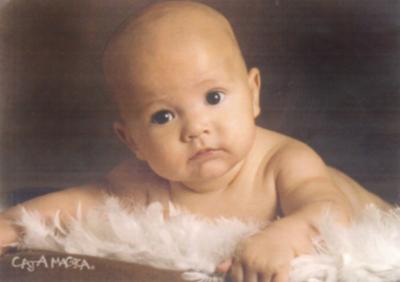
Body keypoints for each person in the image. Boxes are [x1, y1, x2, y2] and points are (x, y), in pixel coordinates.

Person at [0, 1, 392, 281]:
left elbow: (329, 211)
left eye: (214, 97)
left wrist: (284, 237)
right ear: (132, 140)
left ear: (253, 93)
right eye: (163, 116)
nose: (196, 128)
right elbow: (82, 202)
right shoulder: (143, 182)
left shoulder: (283, 161)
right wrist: (11, 225)